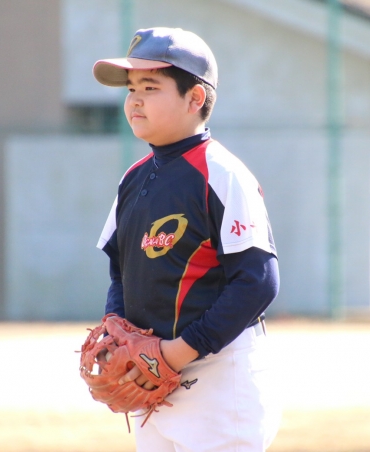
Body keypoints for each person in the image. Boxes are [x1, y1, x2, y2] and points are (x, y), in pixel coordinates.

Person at [93, 27, 281, 451]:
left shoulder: (222, 173)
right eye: (131, 88)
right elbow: (121, 274)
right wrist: (116, 330)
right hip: (152, 379)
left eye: (150, 87)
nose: (134, 100)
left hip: (219, 379)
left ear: (195, 98)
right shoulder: (133, 178)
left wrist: (174, 353)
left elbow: (257, 283)